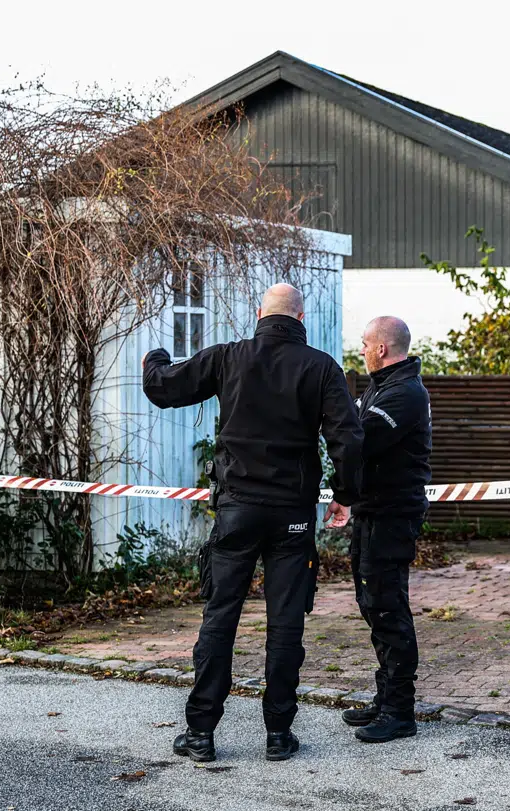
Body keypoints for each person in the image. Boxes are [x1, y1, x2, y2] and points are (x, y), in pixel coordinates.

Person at [141, 282, 362, 763]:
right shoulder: (322, 367)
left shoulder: (228, 357)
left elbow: (164, 387)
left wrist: (155, 357)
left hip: (237, 510)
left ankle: (200, 733)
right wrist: (345, 495)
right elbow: (348, 437)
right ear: (300, 319)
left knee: (220, 617)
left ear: (259, 314)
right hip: (292, 517)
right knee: (285, 624)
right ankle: (279, 734)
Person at [339, 316, 432, 744]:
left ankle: (399, 711)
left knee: (389, 607)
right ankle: (385, 698)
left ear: (381, 348)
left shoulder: (405, 392)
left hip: (392, 516)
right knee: (372, 604)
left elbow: (362, 438)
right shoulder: (381, 387)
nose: (361, 350)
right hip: (371, 512)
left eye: (364, 344)